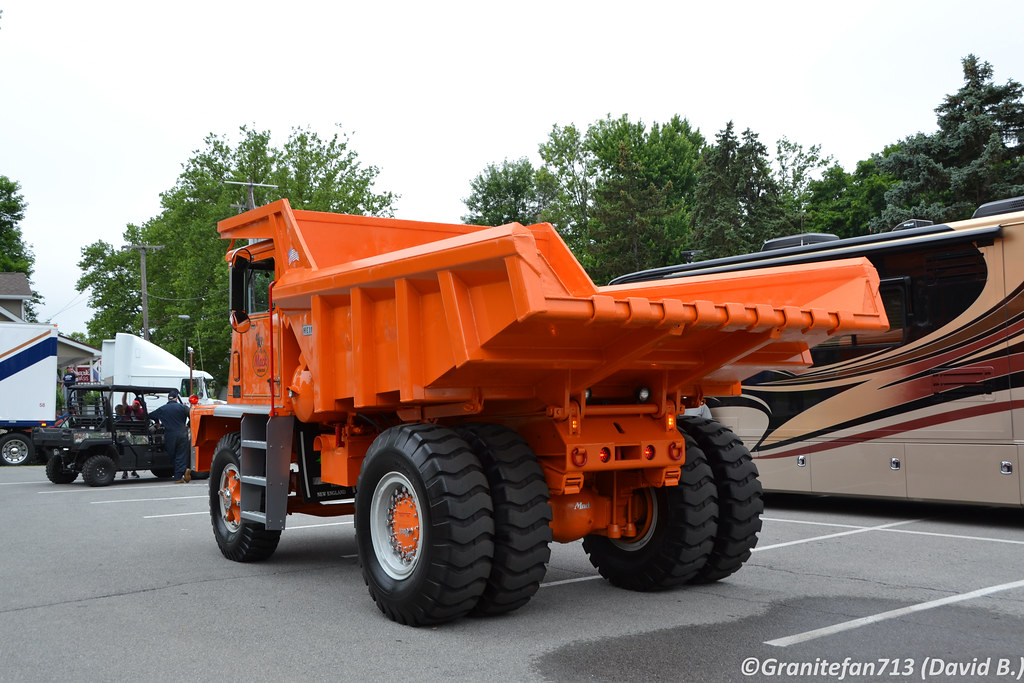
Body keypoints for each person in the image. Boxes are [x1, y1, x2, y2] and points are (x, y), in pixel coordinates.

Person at [150, 388, 192, 484]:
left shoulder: (163, 409)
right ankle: (182, 472)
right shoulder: (183, 407)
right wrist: (188, 425)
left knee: (173, 455)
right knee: (181, 455)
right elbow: (193, 414)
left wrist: (157, 422)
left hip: (170, 435)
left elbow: (150, 415)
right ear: (176, 398)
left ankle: (179, 476)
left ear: (168, 399)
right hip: (182, 433)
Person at [117, 394, 141, 479]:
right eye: (135, 403)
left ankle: (133, 471)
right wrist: (125, 392)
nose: (136, 405)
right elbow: (124, 402)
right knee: (126, 451)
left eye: (138, 404)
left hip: (136, 434)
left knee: (134, 452)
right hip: (127, 433)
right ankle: (125, 472)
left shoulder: (141, 411)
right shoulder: (128, 409)